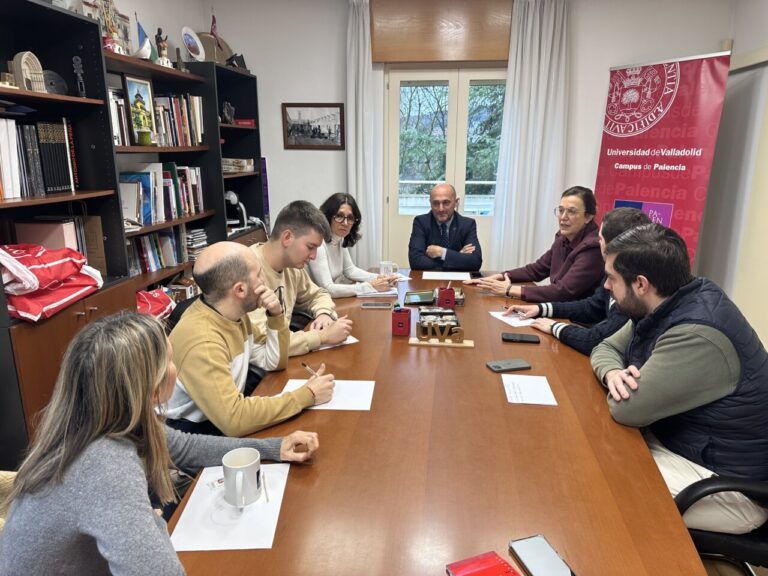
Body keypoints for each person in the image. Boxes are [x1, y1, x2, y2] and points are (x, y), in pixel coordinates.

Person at [0, 312, 320, 575]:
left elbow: (186, 448)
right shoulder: (105, 463)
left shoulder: (95, 423)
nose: (175, 370)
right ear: (149, 384)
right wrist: (155, 526)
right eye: (169, 361)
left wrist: (273, 448)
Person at [591, 223, 768, 535]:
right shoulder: (669, 302)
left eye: (612, 278)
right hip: (684, 447)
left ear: (641, 284)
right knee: (591, 449)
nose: (606, 286)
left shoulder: (697, 332)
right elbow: (605, 347)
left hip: (731, 489)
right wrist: (614, 372)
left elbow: (627, 410)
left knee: (595, 480)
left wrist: (620, 385)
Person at [166, 241, 335, 436]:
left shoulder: (235, 315)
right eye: (258, 275)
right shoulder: (203, 341)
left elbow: (271, 361)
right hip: (191, 433)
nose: (264, 280)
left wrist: (276, 316)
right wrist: (308, 395)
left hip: (221, 416)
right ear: (239, 290)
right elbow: (234, 420)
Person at [506, 207, 650, 354]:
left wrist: (554, 327)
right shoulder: (616, 270)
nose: (607, 285)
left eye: (600, 239)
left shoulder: (633, 290)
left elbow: (596, 340)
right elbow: (594, 306)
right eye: (560, 210)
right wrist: (542, 308)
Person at [249, 200, 354, 357]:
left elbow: (319, 294)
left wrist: (323, 313)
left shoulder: (292, 267)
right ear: (287, 238)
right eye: (310, 247)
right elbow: (265, 343)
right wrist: (323, 336)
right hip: (262, 370)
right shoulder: (248, 271)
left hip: (283, 358)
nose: (313, 256)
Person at [466, 186, 602, 302]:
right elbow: (537, 270)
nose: (563, 217)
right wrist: (502, 276)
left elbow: (563, 291)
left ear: (588, 217)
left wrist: (509, 289)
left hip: (575, 319)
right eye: (561, 210)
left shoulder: (593, 248)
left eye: (571, 211)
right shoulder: (563, 237)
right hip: (557, 308)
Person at [308, 193, 396, 297]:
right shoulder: (318, 243)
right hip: (315, 306)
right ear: (328, 217)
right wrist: (369, 287)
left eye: (350, 218)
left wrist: (380, 278)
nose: (345, 223)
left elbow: (350, 270)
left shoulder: (338, 238)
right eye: (339, 216)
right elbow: (328, 288)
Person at [408, 183, 482, 271]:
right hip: (428, 282)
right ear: (430, 203)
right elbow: (415, 262)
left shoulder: (467, 224)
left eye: (446, 203)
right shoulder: (421, 222)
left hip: (458, 282)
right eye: (435, 203)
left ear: (456, 202)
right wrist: (457, 257)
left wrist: (442, 253)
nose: (441, 209)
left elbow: (475, 262)